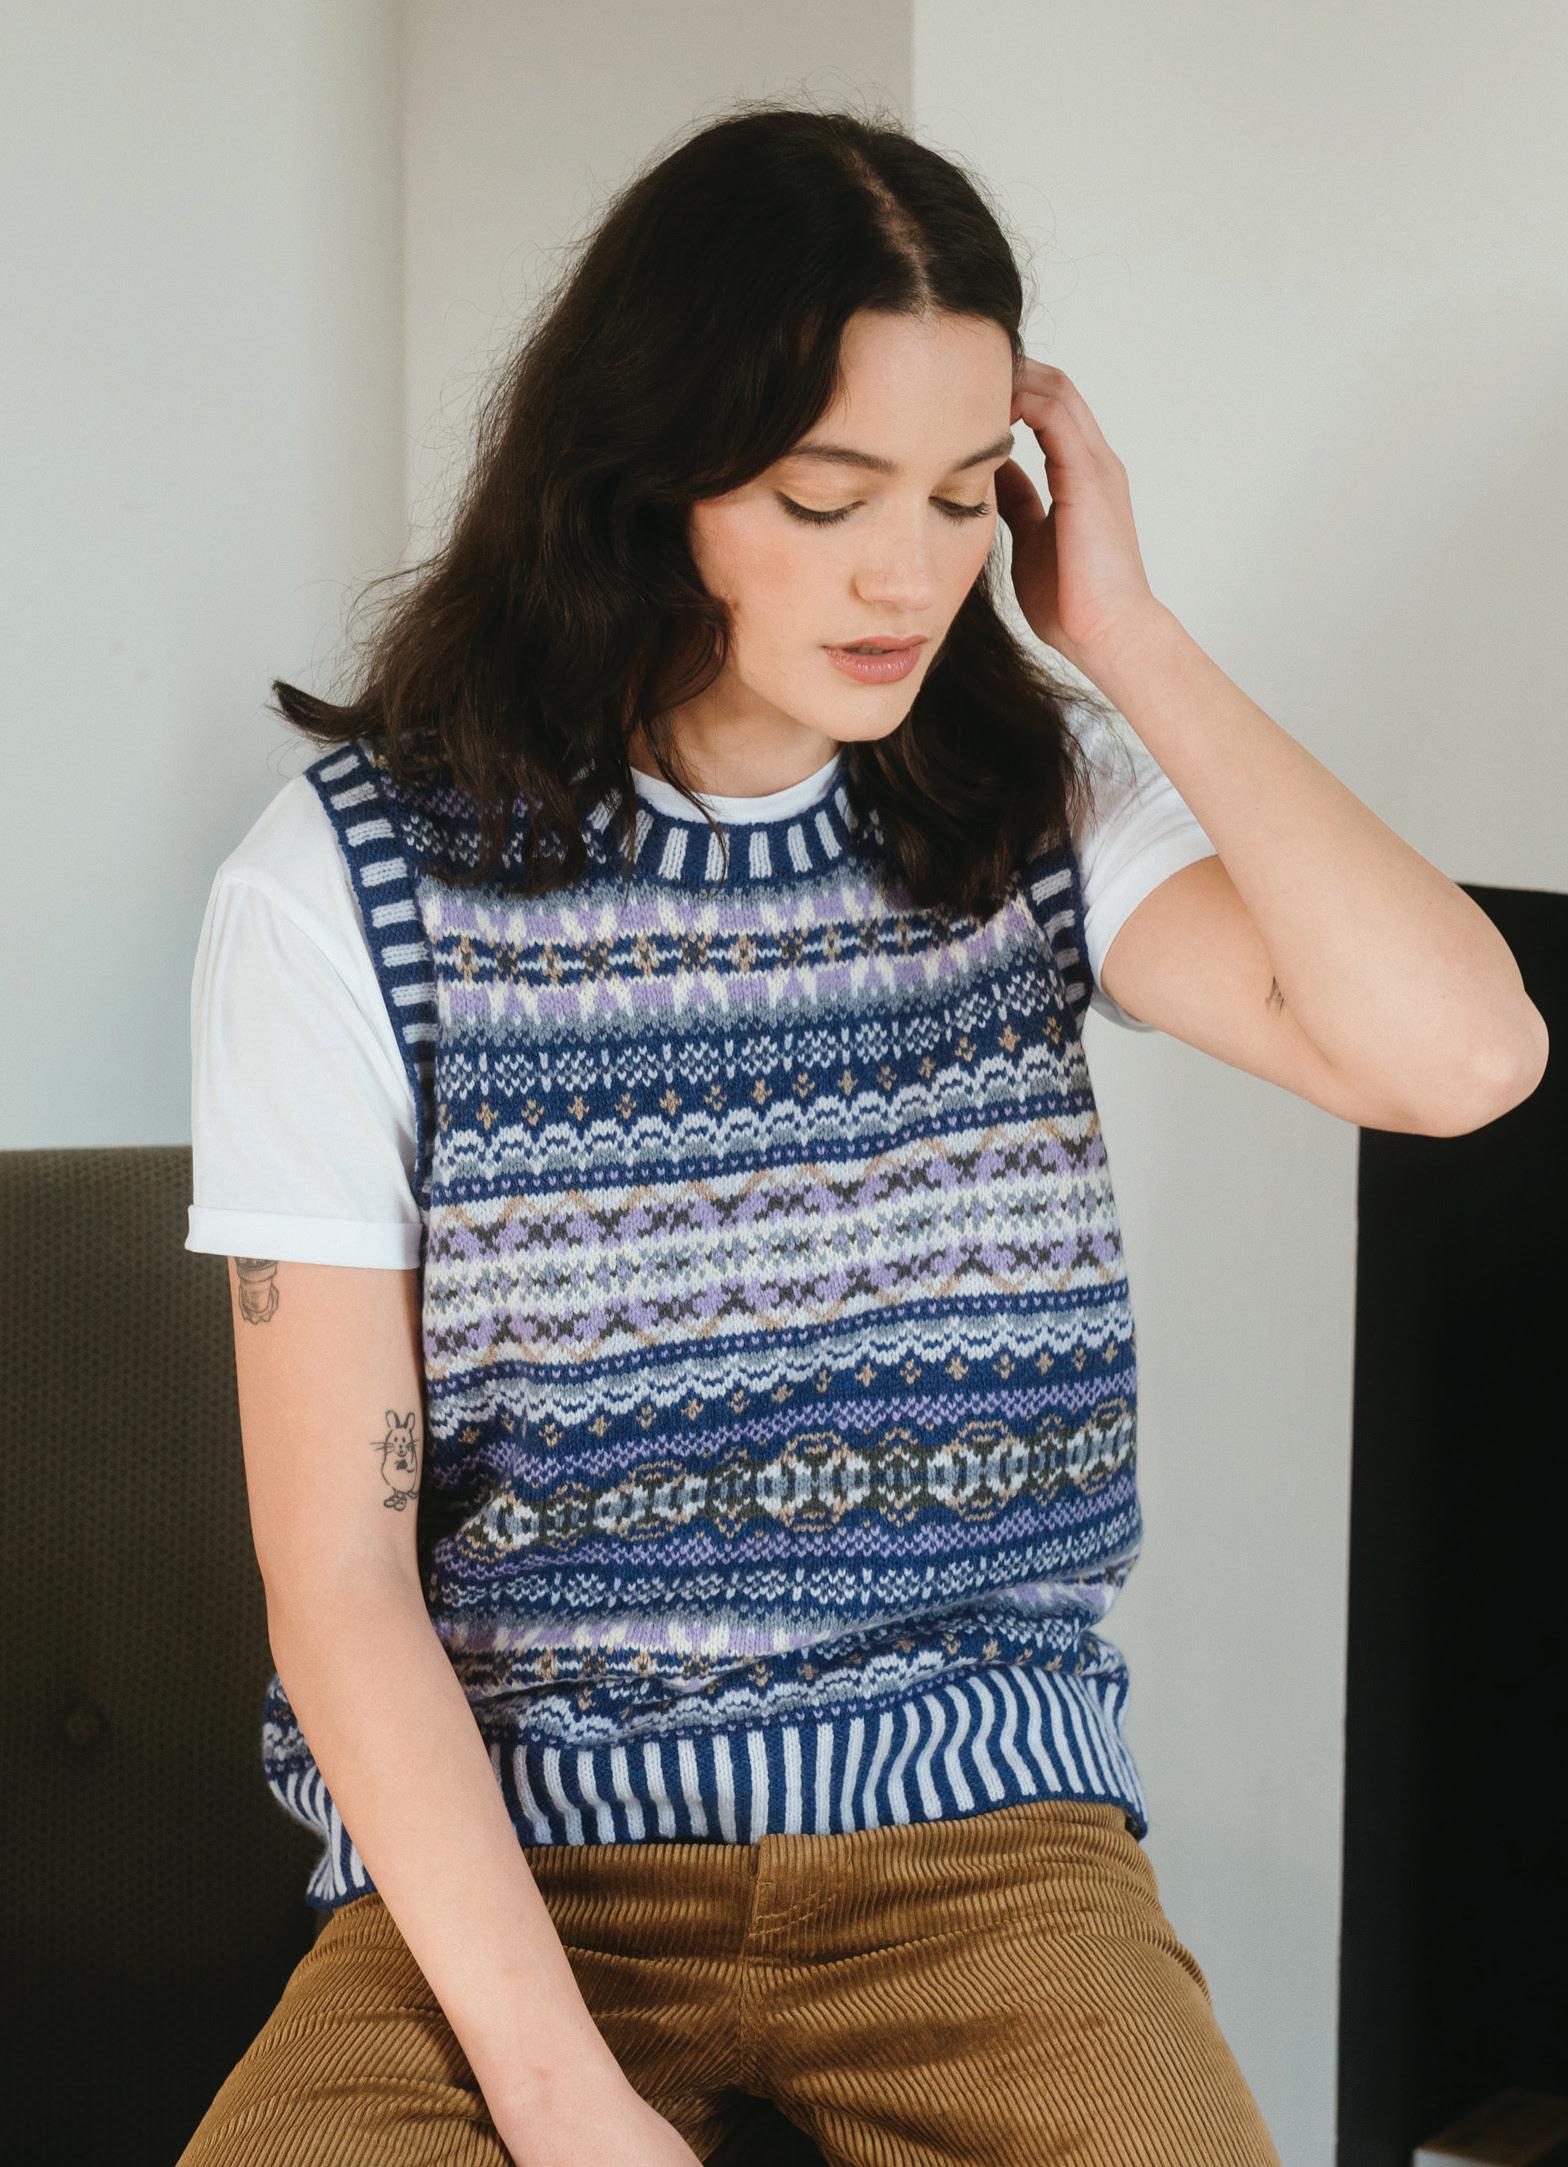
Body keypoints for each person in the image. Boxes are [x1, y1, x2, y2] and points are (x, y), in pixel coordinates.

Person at [175, 95, 1310, 2167]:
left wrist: (1127, 638)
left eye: (961, 499)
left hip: (982, 1844)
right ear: (649, 477)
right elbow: (335, 1575)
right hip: (518, 1860)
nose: (910, 573)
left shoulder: (1027, 803)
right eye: (824, 495)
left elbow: (1463, 1056)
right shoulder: (342, 885)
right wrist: (562, 2101)